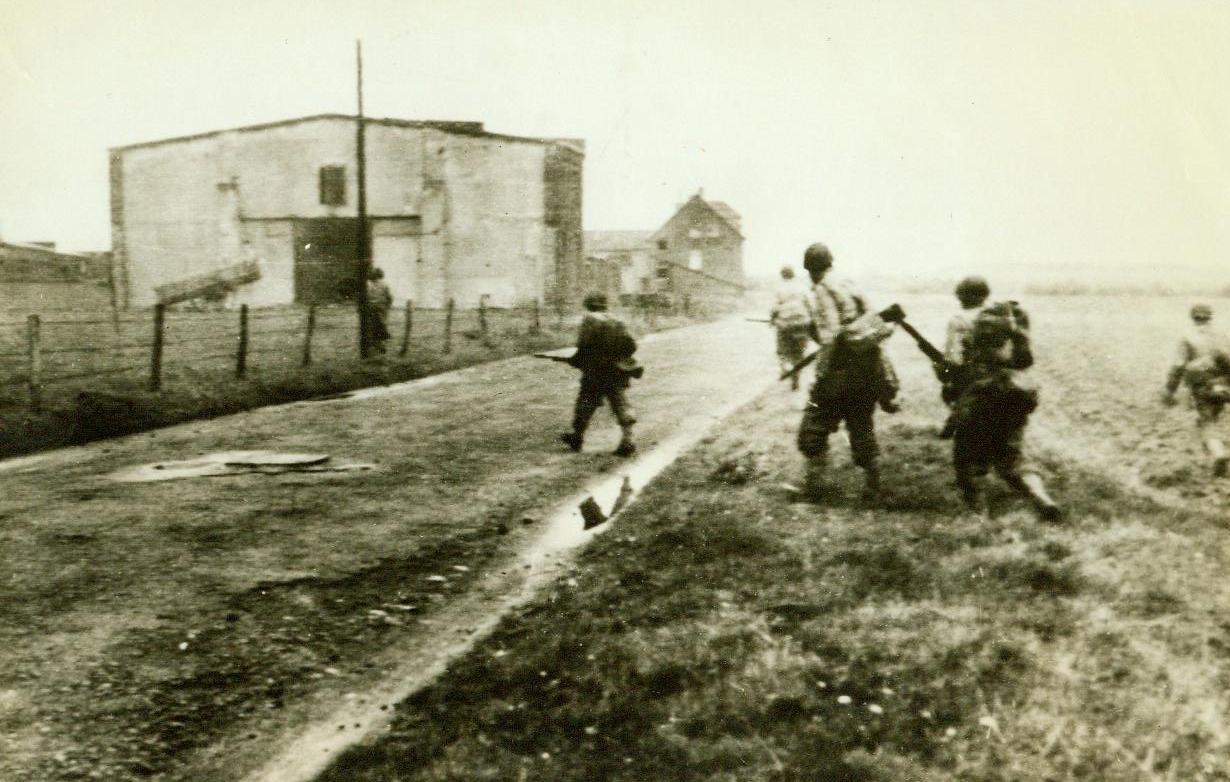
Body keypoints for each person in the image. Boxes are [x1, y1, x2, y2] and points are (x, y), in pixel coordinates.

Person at [795, 243, 899, 503]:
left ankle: (815, 487)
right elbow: (872, 322)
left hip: (839, 370)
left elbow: (829, 337)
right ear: (831, 262)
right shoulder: (850, 284)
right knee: (861, 424)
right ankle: (874, 487)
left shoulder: (821, 289)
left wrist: (821, 371)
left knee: (813, 425)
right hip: (866, 369)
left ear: (810, 269)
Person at [950, 301, 1062, 520]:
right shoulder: (1018, 346)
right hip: (1013, 398)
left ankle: (979, 512)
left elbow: (953, 368)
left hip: (981, 402)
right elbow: (1024, 362)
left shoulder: (973, 344)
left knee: (969, 461)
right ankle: (1041, 497)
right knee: (1014, 458)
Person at [560, 292, 642, 457]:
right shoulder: (617, 320)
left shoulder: (589, 319)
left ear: (589, 305)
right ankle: (628, 440)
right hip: (617, 370)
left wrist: (575, 360)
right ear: (605, 305)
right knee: (620, 403)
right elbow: (631, 345)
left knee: (585, 403)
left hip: (596, 371)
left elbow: (583, 346)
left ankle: (577, 437)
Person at [1162, 303, 1230, 477]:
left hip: (1202, 387)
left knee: (1206, 422)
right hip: (1224, 385)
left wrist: (1169, 391)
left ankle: (1218, 453)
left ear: (1193, 317)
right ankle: (1214, 452)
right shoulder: (1223, 335)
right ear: (1210, 317)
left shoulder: (1187, 337)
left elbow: (1178, 366)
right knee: (1212, 418)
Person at [937, 276, 991, 438]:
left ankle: (953, 427)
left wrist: (946, 376)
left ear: (963, 296)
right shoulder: (995, 316)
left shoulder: (958, 320)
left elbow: (952, 355)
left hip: (968, 370)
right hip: (993, 369)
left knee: (960, 397)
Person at [770, 266, 812, 390]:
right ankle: (796, 375)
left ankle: (785, 367)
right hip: (802, 323)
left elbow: (774, 307)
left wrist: (772, 319)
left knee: (782, 349)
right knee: (798, 352)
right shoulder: (802, 286)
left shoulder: (779, 288)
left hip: (785, 324)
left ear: (782, 275)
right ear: (793, 275)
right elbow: (810, 304)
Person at [365, 267, 393, 355]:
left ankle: (376, 345)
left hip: (371, 309)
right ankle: (380, 344)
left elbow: (366, 297)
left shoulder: (368, 285)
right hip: (381, 308)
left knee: (372, 327)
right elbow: (389, 298)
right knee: (381, 326)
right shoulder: (385, 285)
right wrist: (387, 307)